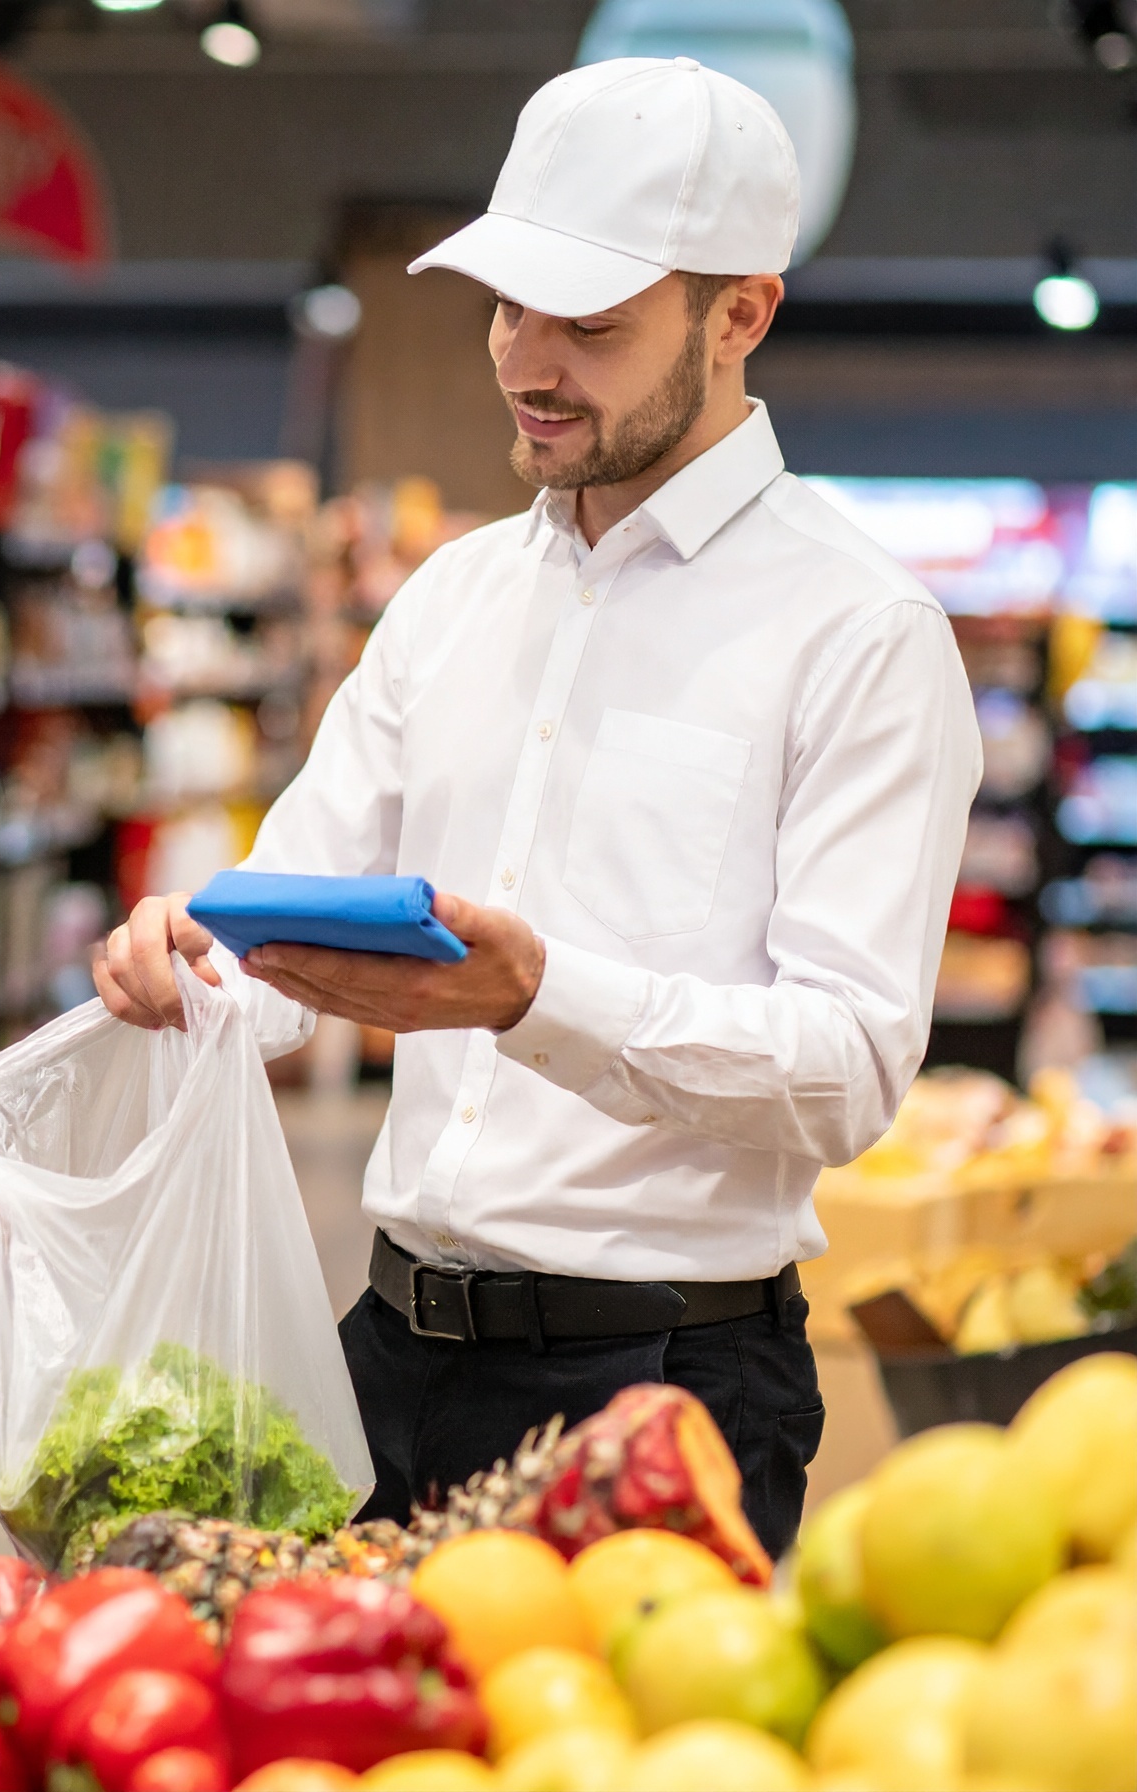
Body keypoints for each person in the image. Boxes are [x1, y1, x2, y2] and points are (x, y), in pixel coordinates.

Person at [95, 58, 980, 1557]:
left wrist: (535, 998)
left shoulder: (859, 631)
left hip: (665, 1381)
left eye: (592, 324)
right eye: (510, 307)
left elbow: (847, 1070)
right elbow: (285, 930)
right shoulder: (453, 597)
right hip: (383, 1357)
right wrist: (190, 971)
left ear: (740, 314)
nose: (528, 362)